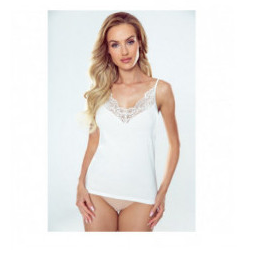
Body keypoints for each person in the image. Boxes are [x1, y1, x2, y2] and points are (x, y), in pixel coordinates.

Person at [76, 12, 180, 231]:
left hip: (141, 196)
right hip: (98, 192)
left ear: (140, 42)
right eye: (115, 44)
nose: (124, 51)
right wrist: (80, 184)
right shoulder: (99, 92)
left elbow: (174, 145)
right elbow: (93, 143)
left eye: (129, 42)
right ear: (107, 50)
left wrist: (162, 192)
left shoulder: (161, 90)